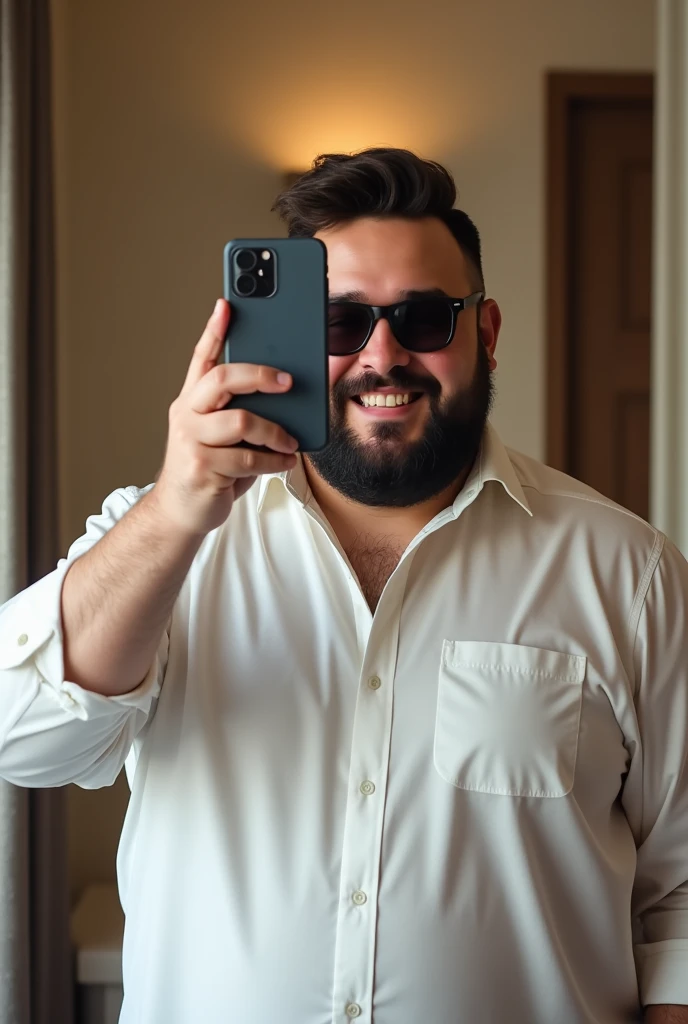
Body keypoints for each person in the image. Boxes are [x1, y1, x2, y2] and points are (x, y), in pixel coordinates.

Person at [1, 148, 686, 1024]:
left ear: (485, 333)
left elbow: (682, 900)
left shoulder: (629, 576)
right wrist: (175, 514)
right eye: (340, 322)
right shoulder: (167, 536)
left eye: (425, 317)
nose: (383, 354)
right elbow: (24, 741)